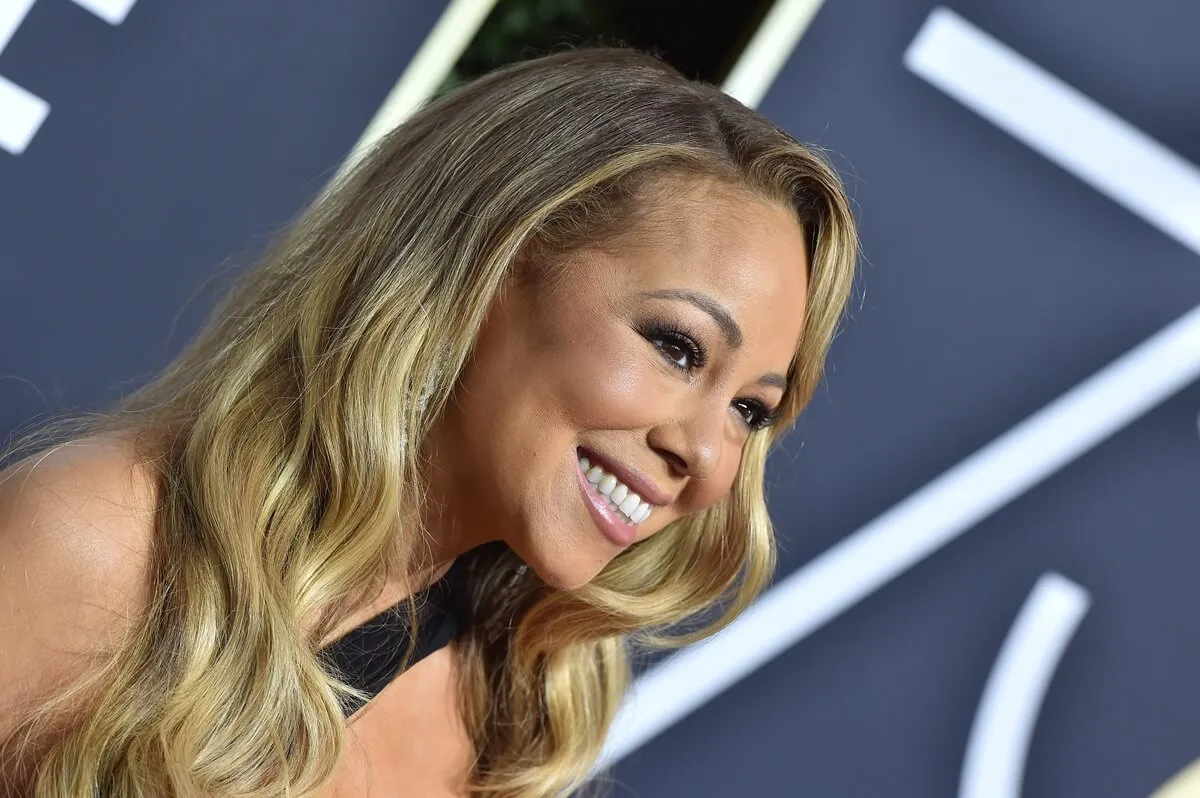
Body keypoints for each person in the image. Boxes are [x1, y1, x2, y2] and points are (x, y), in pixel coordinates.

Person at [0, 46, 857, 797]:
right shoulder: (106, 550)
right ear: (491, 267)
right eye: (677, 346)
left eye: (752, 410)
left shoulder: (516, 714)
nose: (708, 455)